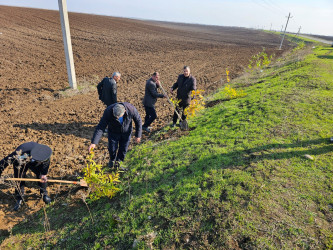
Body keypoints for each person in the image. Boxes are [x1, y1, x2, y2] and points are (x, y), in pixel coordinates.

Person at [0, 142, 52, 211]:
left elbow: (46, 163)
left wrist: (43, 174)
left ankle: (44, 194)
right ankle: (19, 197)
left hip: (35, 163)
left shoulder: (44, 153)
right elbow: (5, 161)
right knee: (19, 178)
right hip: (21, 161)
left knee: (41, 176)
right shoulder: (20, 152)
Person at [89, 103, 142, 169]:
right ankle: (112, 160)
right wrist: (94, 142)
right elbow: (101, 127)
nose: (117, 117)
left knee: (123, 149)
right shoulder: (108, 111)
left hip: (126, 132)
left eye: (119, 116)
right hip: (113, 132)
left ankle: (119, 164)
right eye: (115, 116)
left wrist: (138, 135)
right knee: (112, 148)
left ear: (124, 111)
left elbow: (138, 121)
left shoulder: (131, 109)